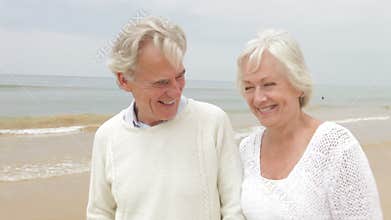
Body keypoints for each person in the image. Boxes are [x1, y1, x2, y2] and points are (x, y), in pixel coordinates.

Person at [86, 16, 245, 220]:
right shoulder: (107, 136)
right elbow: (99, 212)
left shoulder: (213, 122)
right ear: (124, 80)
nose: (175, 91)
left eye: (179, 76)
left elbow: (234, 208)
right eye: (161, 83)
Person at [236, 29, 383, 219]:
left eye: (269, 84)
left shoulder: (335, 146)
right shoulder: (247, 149)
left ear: (298, 84)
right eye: (249, 87)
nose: (258, 98)